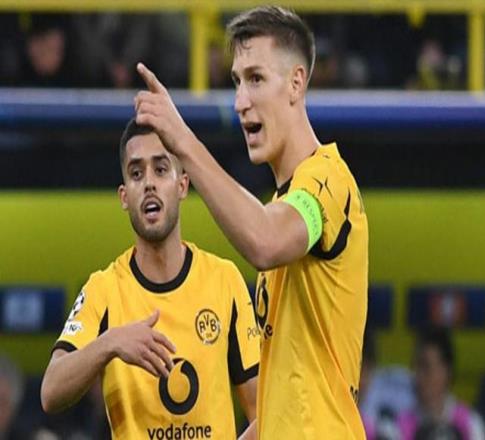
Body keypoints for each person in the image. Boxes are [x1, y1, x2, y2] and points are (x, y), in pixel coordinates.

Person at [134, 5, 368, 439]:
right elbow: (286, 406)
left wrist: (184, 143)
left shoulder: (329, 183)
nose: (241, 101)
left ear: (296, 82)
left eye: (256, 79)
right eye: (237, 81)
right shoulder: (282, 204)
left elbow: (264, 240)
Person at [40, 118, 259, 439]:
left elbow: (264, 411)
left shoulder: (224, 280)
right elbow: (51, 391)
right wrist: (110, 343)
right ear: (124, 196)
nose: (149, 184)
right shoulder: (104, 289)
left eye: (160, 169)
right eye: (136, 173)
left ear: (182, 185)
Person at [397, 326, 485, 440]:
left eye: (426, 367)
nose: (418, 375)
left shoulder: (470, 424)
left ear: (446, 372)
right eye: (415, 367)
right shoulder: (400, 426)